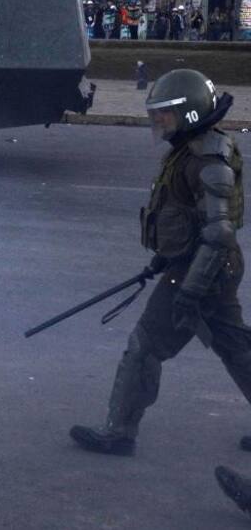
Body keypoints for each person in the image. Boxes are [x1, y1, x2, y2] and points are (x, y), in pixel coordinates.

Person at [69, 69, 251, 456]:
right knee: (235, 346)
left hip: (203, 272)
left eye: (165, 112)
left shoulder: (205, 159)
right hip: (206, 268)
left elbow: (219, 234)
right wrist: (165, 260)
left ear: (188, 113)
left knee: (145, 346)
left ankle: (118, 433)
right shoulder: (195, 148)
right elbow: (191, 221)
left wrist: (188, 289)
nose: (158, 120)